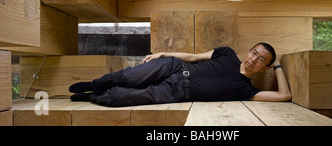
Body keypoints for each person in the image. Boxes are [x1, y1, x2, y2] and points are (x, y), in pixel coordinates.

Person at [69, 43, 291, 107]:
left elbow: (284, 96)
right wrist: (164, 53)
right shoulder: (227, 54)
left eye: (261, 59)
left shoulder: (247, 90)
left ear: (264, 67)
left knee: (121, 98)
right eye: (254, 52)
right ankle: (95, 84)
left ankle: (92, 97)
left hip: (175, 92)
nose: (253, 58)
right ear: (249, 50)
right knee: (128, 77)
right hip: (173, 68)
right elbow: (194, 57)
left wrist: (278, 65)